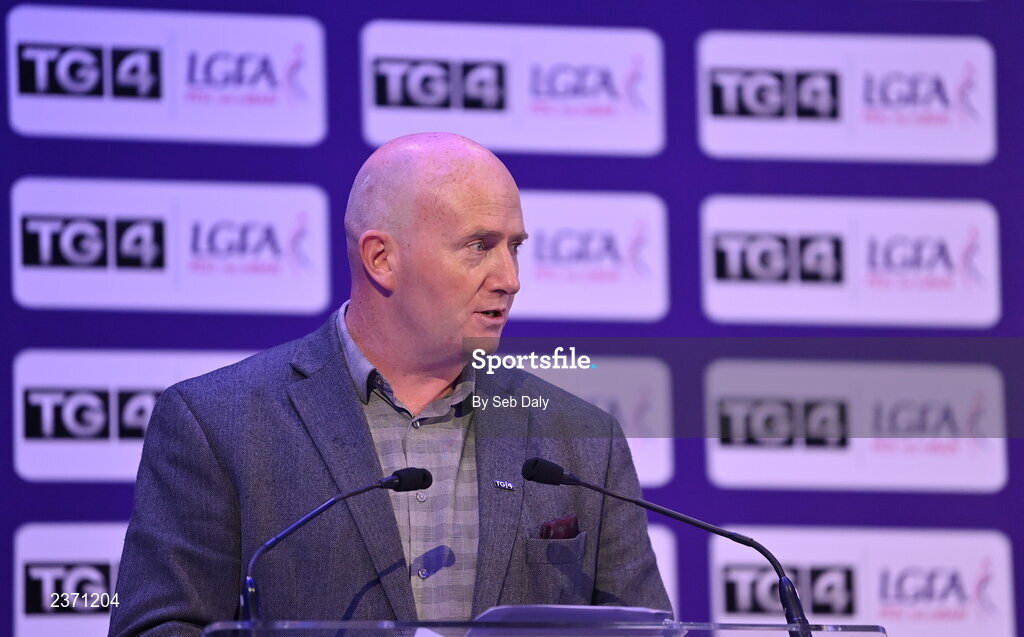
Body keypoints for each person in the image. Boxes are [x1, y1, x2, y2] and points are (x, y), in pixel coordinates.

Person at [109, 133, 670, 636]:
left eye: (514, 247)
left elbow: (646, 631)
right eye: (479, 246)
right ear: (381, 258)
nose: (510, 280)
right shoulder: (218, 423)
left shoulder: (580, 437)